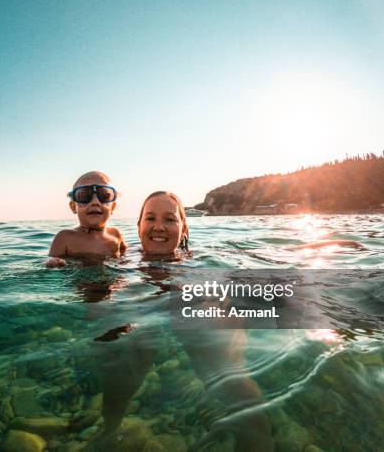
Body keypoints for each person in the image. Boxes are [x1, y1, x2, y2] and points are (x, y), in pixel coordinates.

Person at [92, 191, 273, 452]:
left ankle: (257, 440)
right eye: (150, 218)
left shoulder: (198, 260)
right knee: (125, 354)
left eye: (170, 219)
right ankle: (109, 428)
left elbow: (240, 272)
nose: (159, 226)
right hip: (145, 301)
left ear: (183, 228)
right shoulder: (123, 263)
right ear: (139, 226)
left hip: (191, 300)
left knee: (225, 365)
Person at [46, 171, 127, 267]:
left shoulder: (116, 234)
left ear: (113, 207)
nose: (95, 202)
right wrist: (53, 264)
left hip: (113, 280)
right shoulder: (64, 238)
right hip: (81, 281)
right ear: (73, 207)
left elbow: (126, 256)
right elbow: (50, 264)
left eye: (104, 196)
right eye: (84, 196)